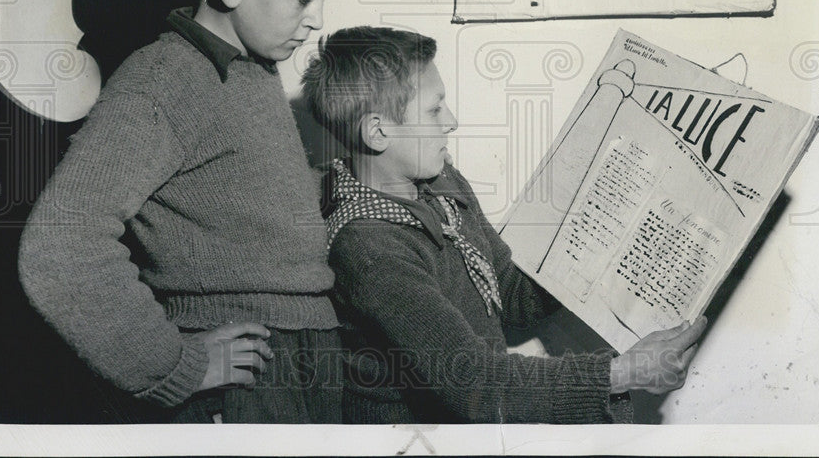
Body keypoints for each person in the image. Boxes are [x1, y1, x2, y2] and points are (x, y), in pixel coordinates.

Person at [19, 0, 354, 423]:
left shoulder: (251, 68)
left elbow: (232, 203)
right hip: (244, 383)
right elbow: (60, 241)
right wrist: (173, 364)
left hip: (301, 363)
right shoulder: (165, 81)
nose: (317, 20)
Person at [300, 26, 707, 424]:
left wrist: (592, 243)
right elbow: (475, 384)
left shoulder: (441, 184)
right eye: (434, 108)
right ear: (378, 131)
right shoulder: (370, 251)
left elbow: (508, 294)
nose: (452, 121)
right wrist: (624, 373)